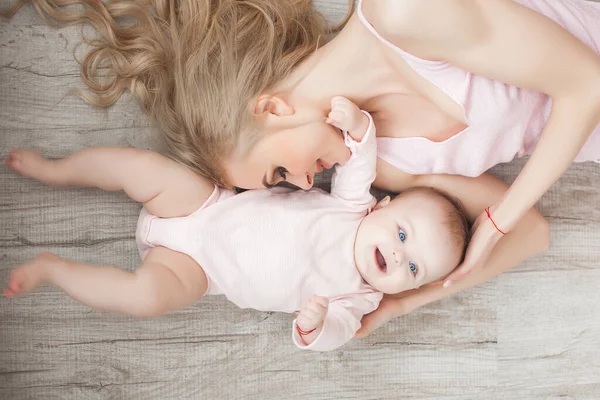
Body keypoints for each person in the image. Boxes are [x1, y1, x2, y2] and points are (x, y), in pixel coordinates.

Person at [5, 0, 576, 334]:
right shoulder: (395, 166)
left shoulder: (400, 12)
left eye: (280, 175)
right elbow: (533, 232)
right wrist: (395, 303)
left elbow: (586, 84)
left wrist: (494, 226)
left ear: (271, 108)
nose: (308, 185)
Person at [4, 98, 469, 351]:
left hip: (197, 272)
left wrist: (317, 326)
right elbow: (356, 162)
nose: (398, 256)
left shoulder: (358, 296)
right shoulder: (353, 206)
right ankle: (57, 170)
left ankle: (53, 270)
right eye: (403, 236)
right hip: (203, 205)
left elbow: (337, 334)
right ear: (382, 207)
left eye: (413, 270)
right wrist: (360, 125)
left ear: (407, 289)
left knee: (146, 298)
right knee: (143, 168)